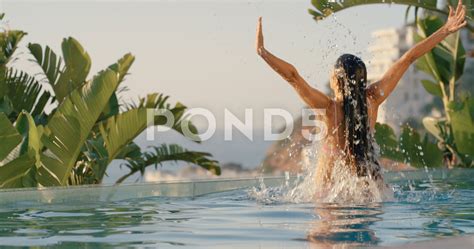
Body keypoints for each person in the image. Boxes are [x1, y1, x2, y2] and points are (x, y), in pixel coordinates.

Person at [256, 0, 467, 191]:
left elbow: (293, 77)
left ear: (337, 80)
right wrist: (446, 30)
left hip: (328, 195)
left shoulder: (328, 109)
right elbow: (408, 58)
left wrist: (263, 52)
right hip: (368, 189)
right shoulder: (373, 100)